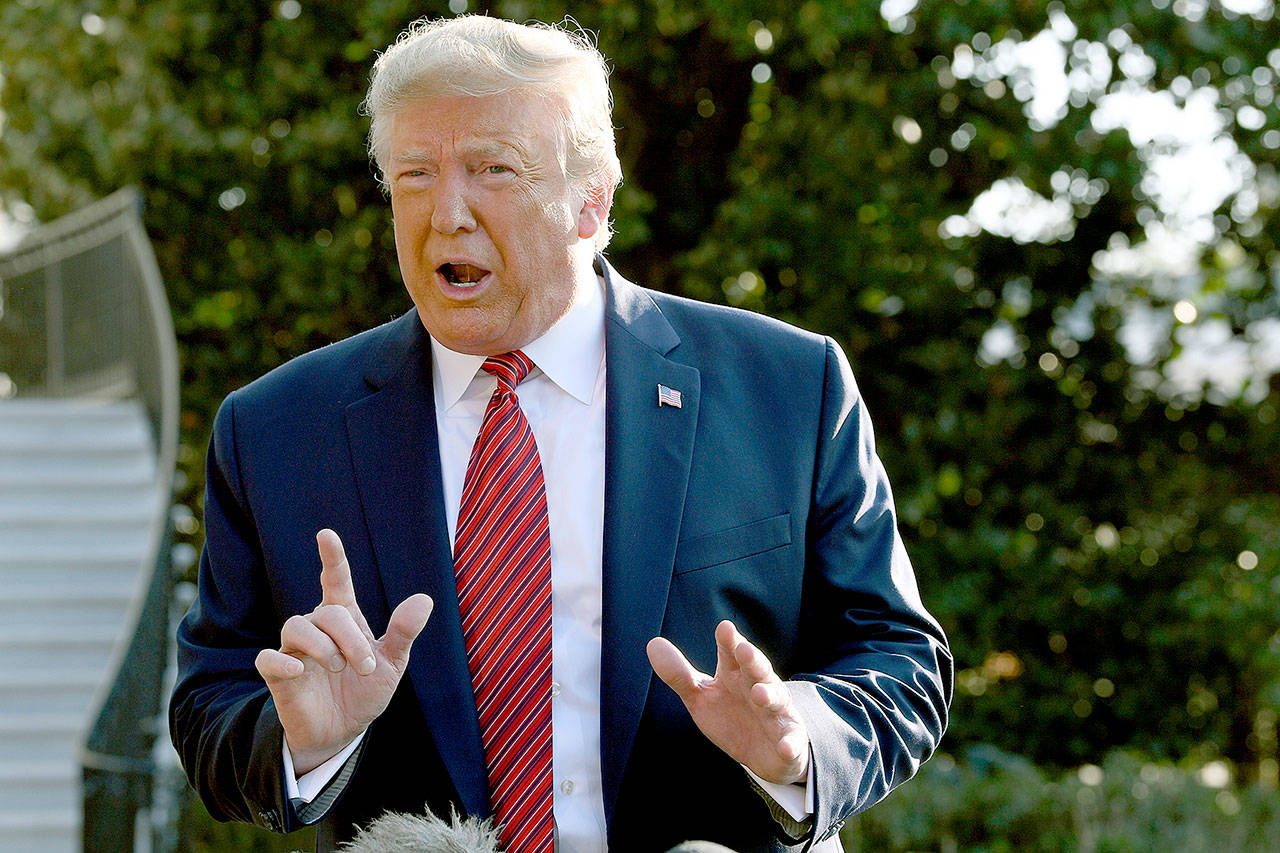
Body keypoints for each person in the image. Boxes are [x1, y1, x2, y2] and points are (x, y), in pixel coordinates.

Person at [169, 14, 952, 853]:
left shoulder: (788, 387)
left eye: (491, 170)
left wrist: (800, 744)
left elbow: (898, 657)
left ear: (593, 199)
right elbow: (210, 704)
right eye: (415, 176)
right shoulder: (276, 429)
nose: (447, 213)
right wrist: (303, 742)